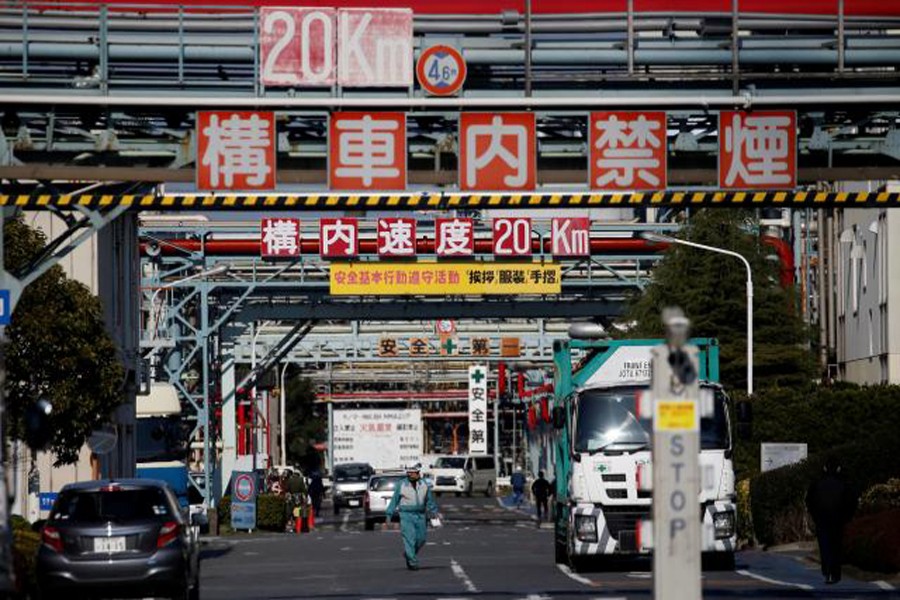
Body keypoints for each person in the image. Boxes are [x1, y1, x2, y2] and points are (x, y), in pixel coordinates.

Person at [805, 456, 858, 584]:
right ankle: (835, 573)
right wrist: (847, 517)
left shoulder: (817, 484)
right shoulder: (844, 484)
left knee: (825, 546)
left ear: (824, 468)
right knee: (836, 546)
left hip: (821, 519)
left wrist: (815, 515)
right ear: (838, 469)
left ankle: (827, 571)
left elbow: (809, 501)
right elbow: (852, 502)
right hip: (838, 519)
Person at [385, 463, 440, 571]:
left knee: (421, 539)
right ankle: (412, 561)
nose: (415, 474)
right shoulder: (401, 484)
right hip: (406, 515)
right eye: (412, 473)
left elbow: (429, 500)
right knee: (410, 539)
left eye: (416, 472)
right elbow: (394, 500)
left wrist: (434, 511)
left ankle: (409, 554)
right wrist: (389, 514)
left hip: (421, 515)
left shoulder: (424, 484)